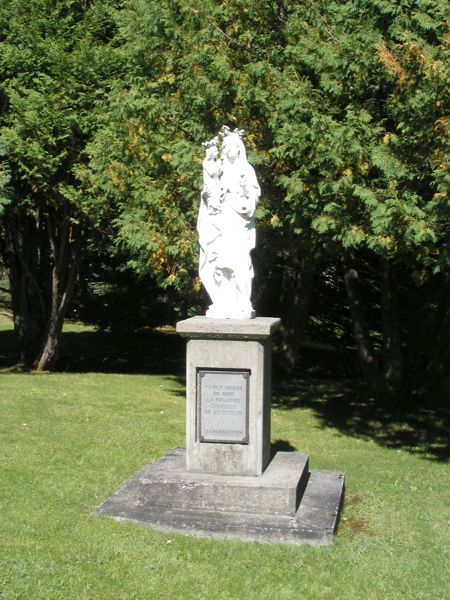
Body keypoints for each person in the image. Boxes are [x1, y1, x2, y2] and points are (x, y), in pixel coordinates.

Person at [197, 127, 260, 318]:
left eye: (233, 146)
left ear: (240, 149)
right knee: (220, 262)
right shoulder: (220, 170)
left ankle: (243, 303)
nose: (229, 150)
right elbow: (209, 187)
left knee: (239, 261)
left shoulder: (245, 169)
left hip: (238, 219)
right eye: (227, 146)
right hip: (221, 219)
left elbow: (254, 193)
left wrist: (245, 204)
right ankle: (223, 302)